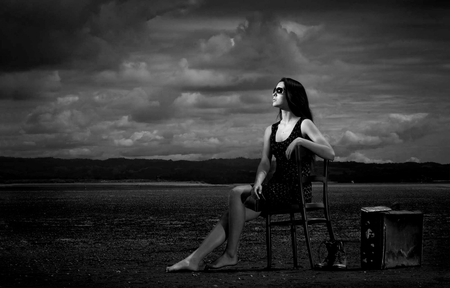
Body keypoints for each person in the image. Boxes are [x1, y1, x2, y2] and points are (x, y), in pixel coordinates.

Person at [166, 77, 335, 272]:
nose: (274, 93)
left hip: (296, 191)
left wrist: (300, 142)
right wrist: (258, 182)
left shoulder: (304, 124)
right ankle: (194, 259)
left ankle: (229, 254)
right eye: (274, 90)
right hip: (274, 189)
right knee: (232, 215)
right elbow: (264, 162)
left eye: (279, 91)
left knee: (236, 192)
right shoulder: (270, 130)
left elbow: (330, 153)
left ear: (292, 95)